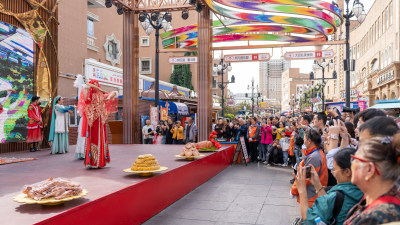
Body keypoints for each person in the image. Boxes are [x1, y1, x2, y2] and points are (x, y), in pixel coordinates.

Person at [296, 148, 363, 225]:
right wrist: (317, 185)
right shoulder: (366, 192)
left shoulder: (335, 197)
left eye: (334, 169)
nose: (333, 173)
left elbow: (308, 220)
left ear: (347, 172)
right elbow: (329, 208)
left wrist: (302, 190)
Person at [344, 135, 400, 225]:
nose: (352, 164)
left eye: (354, 159)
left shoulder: (375, 218)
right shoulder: (389, 200)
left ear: (370, 169)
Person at [77, 80, 118, 169]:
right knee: (93, 139)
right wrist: (98, 88)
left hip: (99, 122)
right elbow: (86, 85)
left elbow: (115, 92)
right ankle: (93, 162)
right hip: (92, 122)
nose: (95, 86)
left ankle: (98, 162)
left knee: (99, 139)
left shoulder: (102, 96)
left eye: (97, 84)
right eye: (94, 85)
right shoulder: (89, 96)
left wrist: (108, 97)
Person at [291, 128, 328, 207]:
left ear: (309, 140)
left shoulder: (314, 157)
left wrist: (293, 191)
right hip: (314, 194)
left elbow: (305, 178)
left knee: (308, 216)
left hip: (312, 196)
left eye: (304, 139)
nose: (303, 141)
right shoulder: (317, 153)